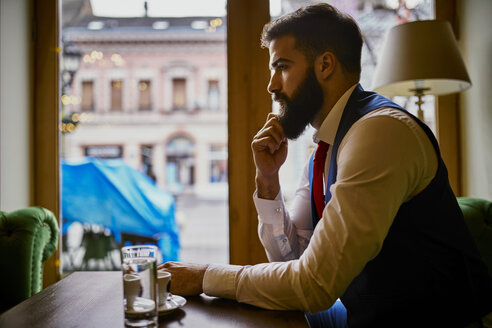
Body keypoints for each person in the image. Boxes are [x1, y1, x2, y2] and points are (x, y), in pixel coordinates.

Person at [159, 3, 492, 327]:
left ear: (325, 65)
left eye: (283, 66)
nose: (271, 85)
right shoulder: (325, 148)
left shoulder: (380, 132)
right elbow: (291, 261)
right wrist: (268, 181)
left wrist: (204, 277)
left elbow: (314, 285)